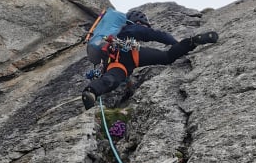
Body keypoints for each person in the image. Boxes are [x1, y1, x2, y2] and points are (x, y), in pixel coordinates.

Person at [82, 9, 218, 110]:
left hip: (112, 60)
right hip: (128, 52)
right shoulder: (131, 27)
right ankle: (193, 42)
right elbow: (153, 34)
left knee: (112, 78)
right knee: (167, 57)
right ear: (139, 20)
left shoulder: (115, 32)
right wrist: (175, 43)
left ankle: (91, 91)